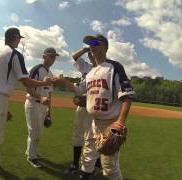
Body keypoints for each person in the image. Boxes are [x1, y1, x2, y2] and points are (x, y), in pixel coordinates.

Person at [56, 34, 134, 180]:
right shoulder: (91, 72)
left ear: (104, 47)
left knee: (110, 168)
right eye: (89, 43)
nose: (91, 45)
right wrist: (64, 82)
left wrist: (120, 122)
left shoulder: (114, 67)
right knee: (87, 160)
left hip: (110, 123)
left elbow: (127, 96)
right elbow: (80, 90)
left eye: (94, 42)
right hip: (93, 122)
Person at [0, 27, 54, 180]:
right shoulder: (14, 54)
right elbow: (25, 80)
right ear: (15, 38)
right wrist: (43, 83)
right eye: (19, 38)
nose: (20, 40)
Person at [64, 47, 101, 175]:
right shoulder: (86, 66)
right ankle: (75, 164)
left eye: (93, 51)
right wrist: (86, 49)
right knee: (77, 135)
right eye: (90, 53)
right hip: (81, 107)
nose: (91, 54)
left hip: (93, 108)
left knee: (92, 138)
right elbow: (74, 56)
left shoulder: (103, 70)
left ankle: (95, 166)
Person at [24, 47, 59, 168]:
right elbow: (28, 88)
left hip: (43, 107)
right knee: (34, 132)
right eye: (51, 56)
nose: (53, 59)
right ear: (44, 56)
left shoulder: (50, 74)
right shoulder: (36, 69)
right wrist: (40, 98)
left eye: (54, 57)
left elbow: (49, 94)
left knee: (39, 132)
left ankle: (32, 153)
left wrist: (49, 111)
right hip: (33, 104)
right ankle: (31, 156)